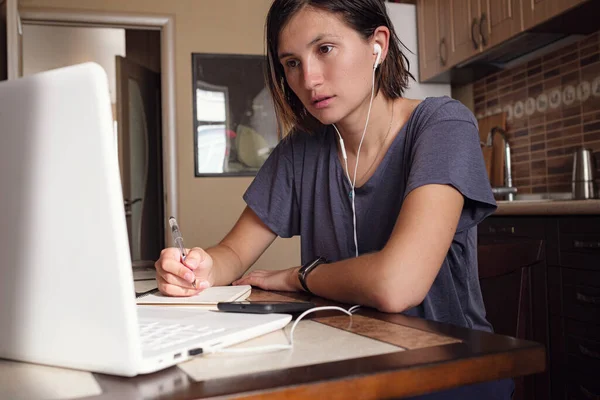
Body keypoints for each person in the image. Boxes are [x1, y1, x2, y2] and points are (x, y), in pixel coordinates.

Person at [155, 0, 513, 398]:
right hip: (345, 364)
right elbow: (233, 255)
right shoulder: (300, 151)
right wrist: (196, 269)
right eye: (291, 62)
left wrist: (298, 277)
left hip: (448, 373)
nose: (308, 78)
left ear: (378, 44)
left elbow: (397, 286)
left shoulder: (444, 125)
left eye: (324, 49)